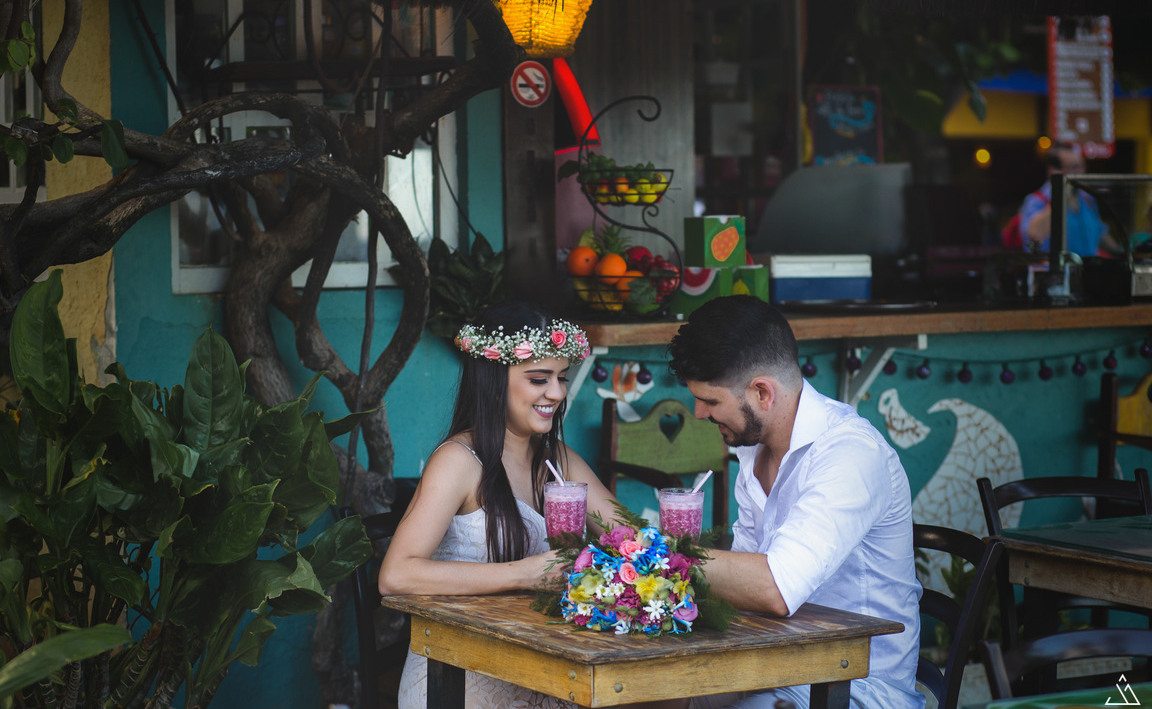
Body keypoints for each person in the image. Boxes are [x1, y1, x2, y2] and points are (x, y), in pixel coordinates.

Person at [666, 296, 923, 709]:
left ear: (762, 393)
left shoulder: (850, 454)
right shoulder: (753, 450)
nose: (698, 413)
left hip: (856, 684)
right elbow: (743, 584)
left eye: (711, 401)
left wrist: (654, 559)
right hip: (774, 664)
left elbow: (774, 589)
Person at [380, 302, 631, 709]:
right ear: (494, 379)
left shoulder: (559, 461)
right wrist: (524, 574)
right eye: (539, 379)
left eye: (562, 378)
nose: (557, 392)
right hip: (459, 675)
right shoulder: (458, 462)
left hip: (544, 666)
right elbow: (395, 575)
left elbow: (632, 539)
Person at [1019, 141, 1115, 256]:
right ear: (1054, 170)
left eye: (1081, 166)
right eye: (1073, 167)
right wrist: (1060, 195)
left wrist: (1123, 253)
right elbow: (1034, 234)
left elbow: (1100, 234)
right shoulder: (1037, 200)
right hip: (1054, 272)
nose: (1080, 172)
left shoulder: (1086, 199)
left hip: (1087, 269)